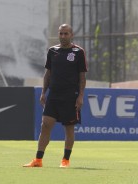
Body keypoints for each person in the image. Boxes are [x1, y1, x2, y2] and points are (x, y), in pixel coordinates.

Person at [23, 24, 88, 168]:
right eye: (61, 33)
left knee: (69, 128)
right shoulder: (52, 51)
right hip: (53, 95)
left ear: (71, 35)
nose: (63, 36)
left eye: (66, 33)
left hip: (71, 95)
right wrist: (43, 93)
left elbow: (82, 77)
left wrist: (81, 96)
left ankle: (65, 160)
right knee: (45, 125)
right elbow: (47, 74)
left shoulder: (78, 52)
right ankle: (38, 160)